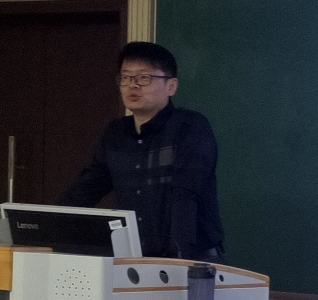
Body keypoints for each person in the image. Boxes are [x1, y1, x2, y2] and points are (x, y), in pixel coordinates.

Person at [59, 41, 225, 261]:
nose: (133, 85)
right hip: (135, 260)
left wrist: (180, 261)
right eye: (126, 78)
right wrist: (47, 229)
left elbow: (185, 196)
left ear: (171, 86)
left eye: (144, 78)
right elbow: (84, 190)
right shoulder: (115, 133)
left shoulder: (190, 126)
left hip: (193, 261)